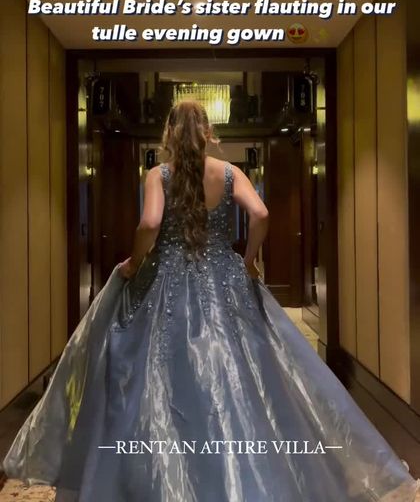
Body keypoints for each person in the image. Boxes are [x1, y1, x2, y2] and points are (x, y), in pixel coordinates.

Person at [2, 100, 419, 502]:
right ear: (208, 132)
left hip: (166, 280)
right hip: (224, 278)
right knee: (238, 374)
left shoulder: (158, 175)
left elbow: (150, 222)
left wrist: (136, 261)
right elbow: (261, 214)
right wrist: (249, 260)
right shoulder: (230, 173)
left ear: (168, 133)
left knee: (156, 376)